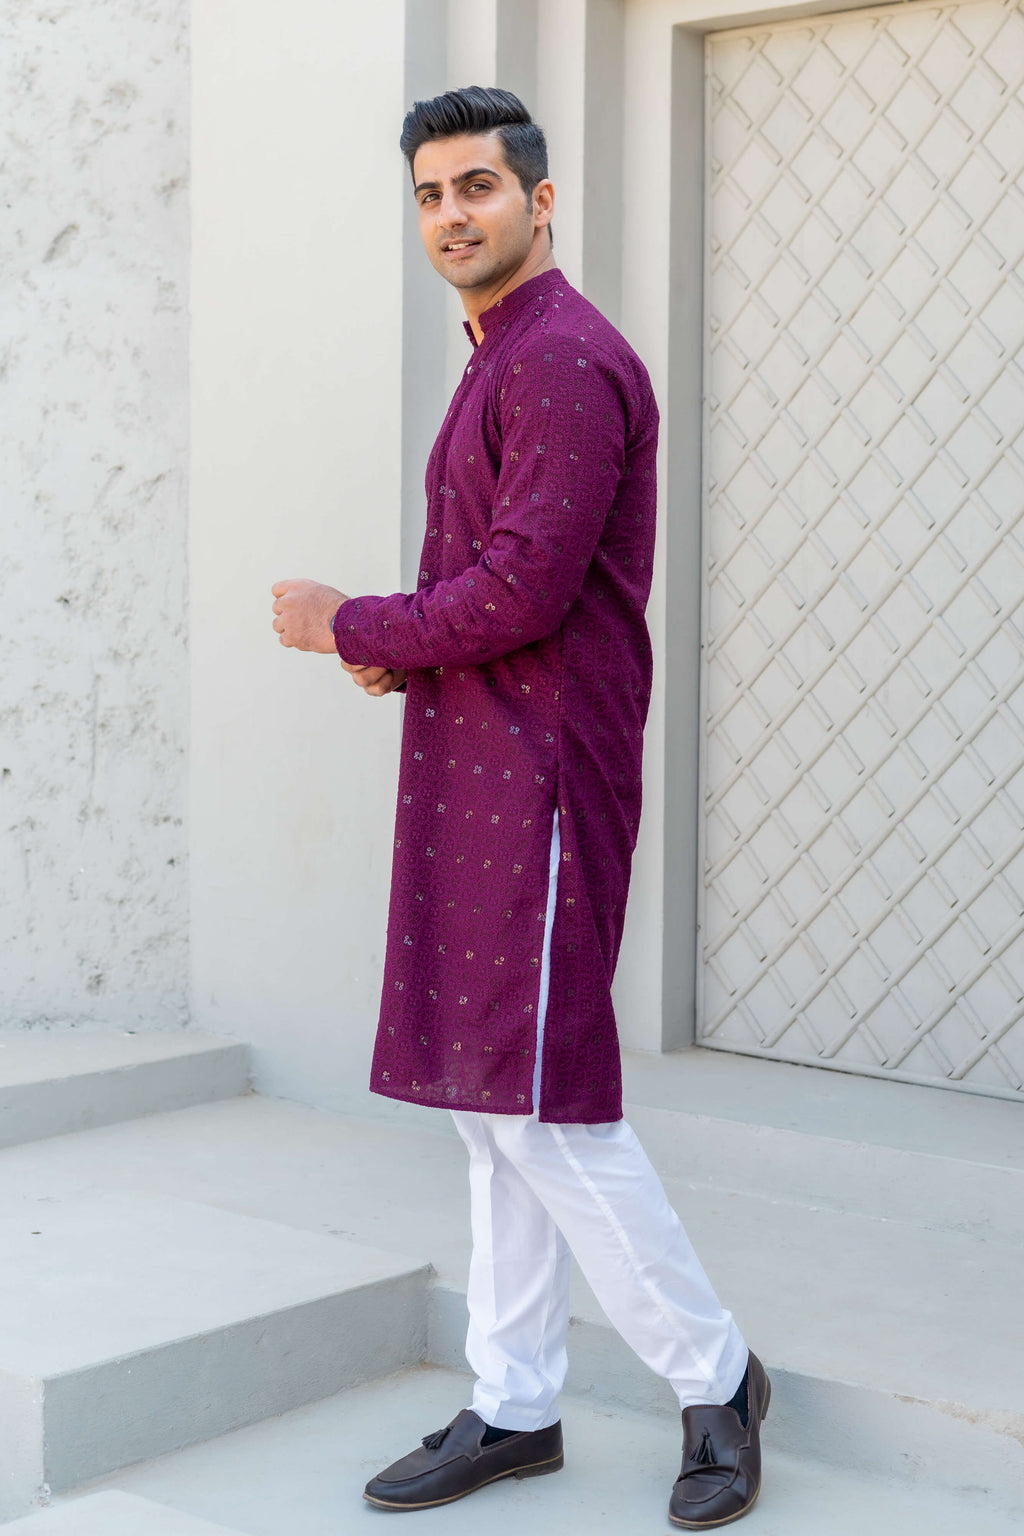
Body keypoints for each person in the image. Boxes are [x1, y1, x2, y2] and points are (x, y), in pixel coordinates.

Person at [270, 85, 768, 1530]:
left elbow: (522, 591)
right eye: (430, 194)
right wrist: (399, 641)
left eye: (477, 187)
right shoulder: (509, 354)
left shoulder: (556, 363)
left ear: (540, 204)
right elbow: (490, 584)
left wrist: (345, 620)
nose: (451, 216)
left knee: (544, 1106)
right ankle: (516, 1400)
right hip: (485, 759)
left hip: (538, 777)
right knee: (491, 1110)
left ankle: (716, 1377)